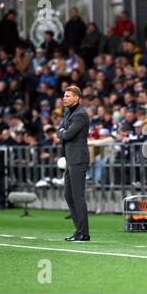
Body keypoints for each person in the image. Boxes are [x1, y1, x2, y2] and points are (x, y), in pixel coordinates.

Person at [57, 86, 91, 242]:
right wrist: (62, 131)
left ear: (76, 98)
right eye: (64, 96)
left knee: (77, 195)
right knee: (68, 194)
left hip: (78, 158)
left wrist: (62, 132)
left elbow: (68, 134)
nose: (64, 98)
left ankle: (83, 233)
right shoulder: (69, 112)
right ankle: (79, 230)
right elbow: (62, 130)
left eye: (68, 96)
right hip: (71, 159)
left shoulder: (80, 115)